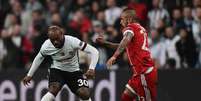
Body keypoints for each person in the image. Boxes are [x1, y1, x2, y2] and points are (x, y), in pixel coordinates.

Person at [22, 26, 99, 101]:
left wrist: (91, 68)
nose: (55, 42)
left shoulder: (72, 41)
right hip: (57, 70)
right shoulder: (46, 45)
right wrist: (29, 75)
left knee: (85, 94)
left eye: (57, 39)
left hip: (74, 71)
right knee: (53, 89)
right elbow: (39, 58)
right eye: (53, 40)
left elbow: (94, 51)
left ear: (62, 34)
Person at [96, 8, 157, 101]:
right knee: (126, 97)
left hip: (144, 72)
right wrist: (105, 43)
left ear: (129, 19)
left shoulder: (130, 28)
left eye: (122, 19)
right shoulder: (140, 28)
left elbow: (126, 40)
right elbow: (123, 45)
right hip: (139, 73)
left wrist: (114, 56)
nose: (121, 22)